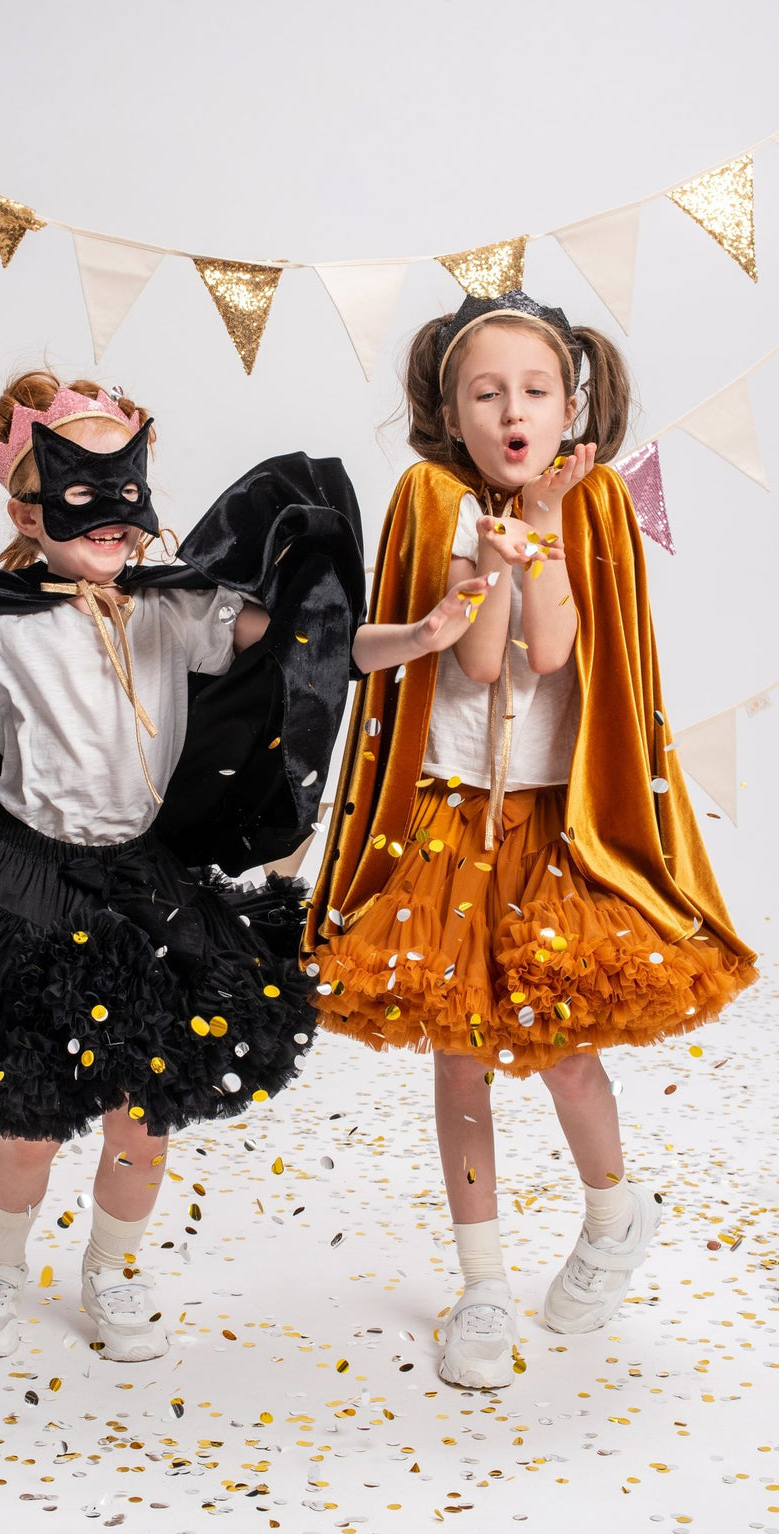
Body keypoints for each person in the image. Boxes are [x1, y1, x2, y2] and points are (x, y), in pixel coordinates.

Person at [0, 369, 485, 1368]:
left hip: (145, 889)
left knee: (144, 1116)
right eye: (78, 489)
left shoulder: (175, 610)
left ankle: (113, 1267)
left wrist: (420, 635)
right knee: (32, 1113)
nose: (109, 513)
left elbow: (304, 648)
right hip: (22, 883)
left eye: (123, 484)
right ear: (27, 507)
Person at [303, 291, 757, 1391]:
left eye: (535, 391)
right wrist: (485, 570)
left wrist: (540, 536)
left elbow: (550, 656)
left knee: (561, 1049)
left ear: (571, 406)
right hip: (449, 816)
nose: (512, 410)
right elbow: (469, 664)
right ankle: (484, 1283)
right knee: (458, 1063)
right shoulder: (427, 500)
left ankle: (613, 1214)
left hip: (556, 825)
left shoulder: (589, 504)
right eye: (485, 392)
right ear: (447, 413)